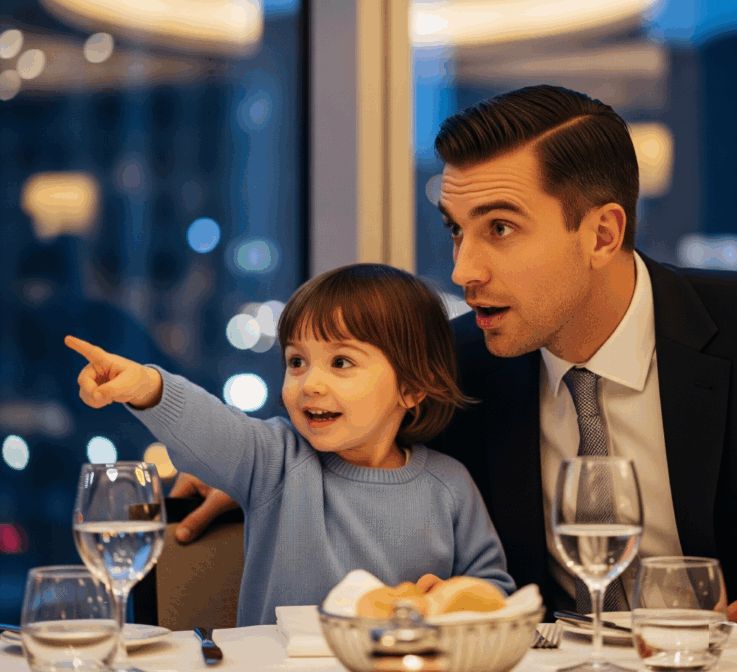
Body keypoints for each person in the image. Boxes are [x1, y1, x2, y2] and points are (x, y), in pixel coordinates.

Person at [170, 85, 737, 630]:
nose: (463, 270)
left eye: (500, 229)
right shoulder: (445, 371)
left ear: (602, 235)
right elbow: (363, 454)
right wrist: (273, 471)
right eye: (457, 230)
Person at [65, 263, 516, 625]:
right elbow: (211, 429)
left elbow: (495, 589)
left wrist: (454, 599)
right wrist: (146, 385)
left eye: (341, 362)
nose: (309, 383)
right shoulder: (277, 460)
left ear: (413, 388)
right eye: (297, 361)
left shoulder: (450, 484)